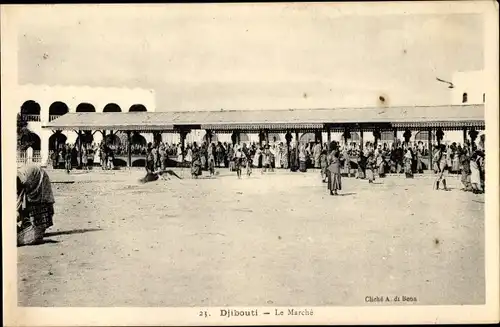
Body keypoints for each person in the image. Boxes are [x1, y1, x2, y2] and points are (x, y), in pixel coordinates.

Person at [17, 165, 55, 246]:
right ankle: (32, 228)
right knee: (29, 204)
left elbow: (18, 200)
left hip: (39, 178)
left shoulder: (17, 180)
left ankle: (38, 229)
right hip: (30, 178)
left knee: (40, 202)